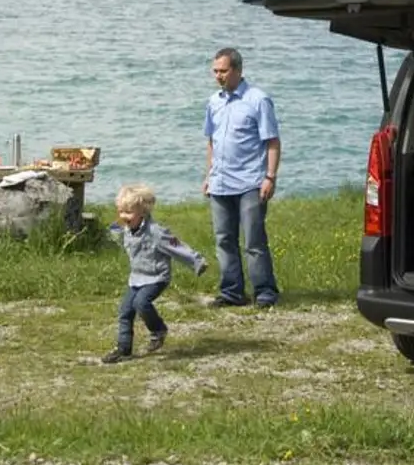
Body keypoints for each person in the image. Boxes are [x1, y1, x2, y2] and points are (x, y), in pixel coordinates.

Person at [201, 47, 281, 308]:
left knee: (254, 240)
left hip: (250, 182)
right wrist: (208, 175)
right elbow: (211, 141)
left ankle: (265, 291)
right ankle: (232, 292)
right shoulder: (214, 102)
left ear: (237, 70)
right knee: (224, 240)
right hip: (220, 182)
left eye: (223, 71)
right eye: (215, 71)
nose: (218, 76)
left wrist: (270, 177)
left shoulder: (258, 100)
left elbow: (272, 141)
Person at [102, 183, 208, 364]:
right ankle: (123, 349)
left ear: (142, 212)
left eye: (128, 212)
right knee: (125, 310)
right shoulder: (125, 229)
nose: (123, 216)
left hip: (156, 277)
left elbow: (177, 247)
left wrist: (196, 261)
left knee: (141, 303)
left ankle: (158, 330)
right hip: (136, 278)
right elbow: (113, 233)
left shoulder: (156, 232)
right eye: (120, 211)